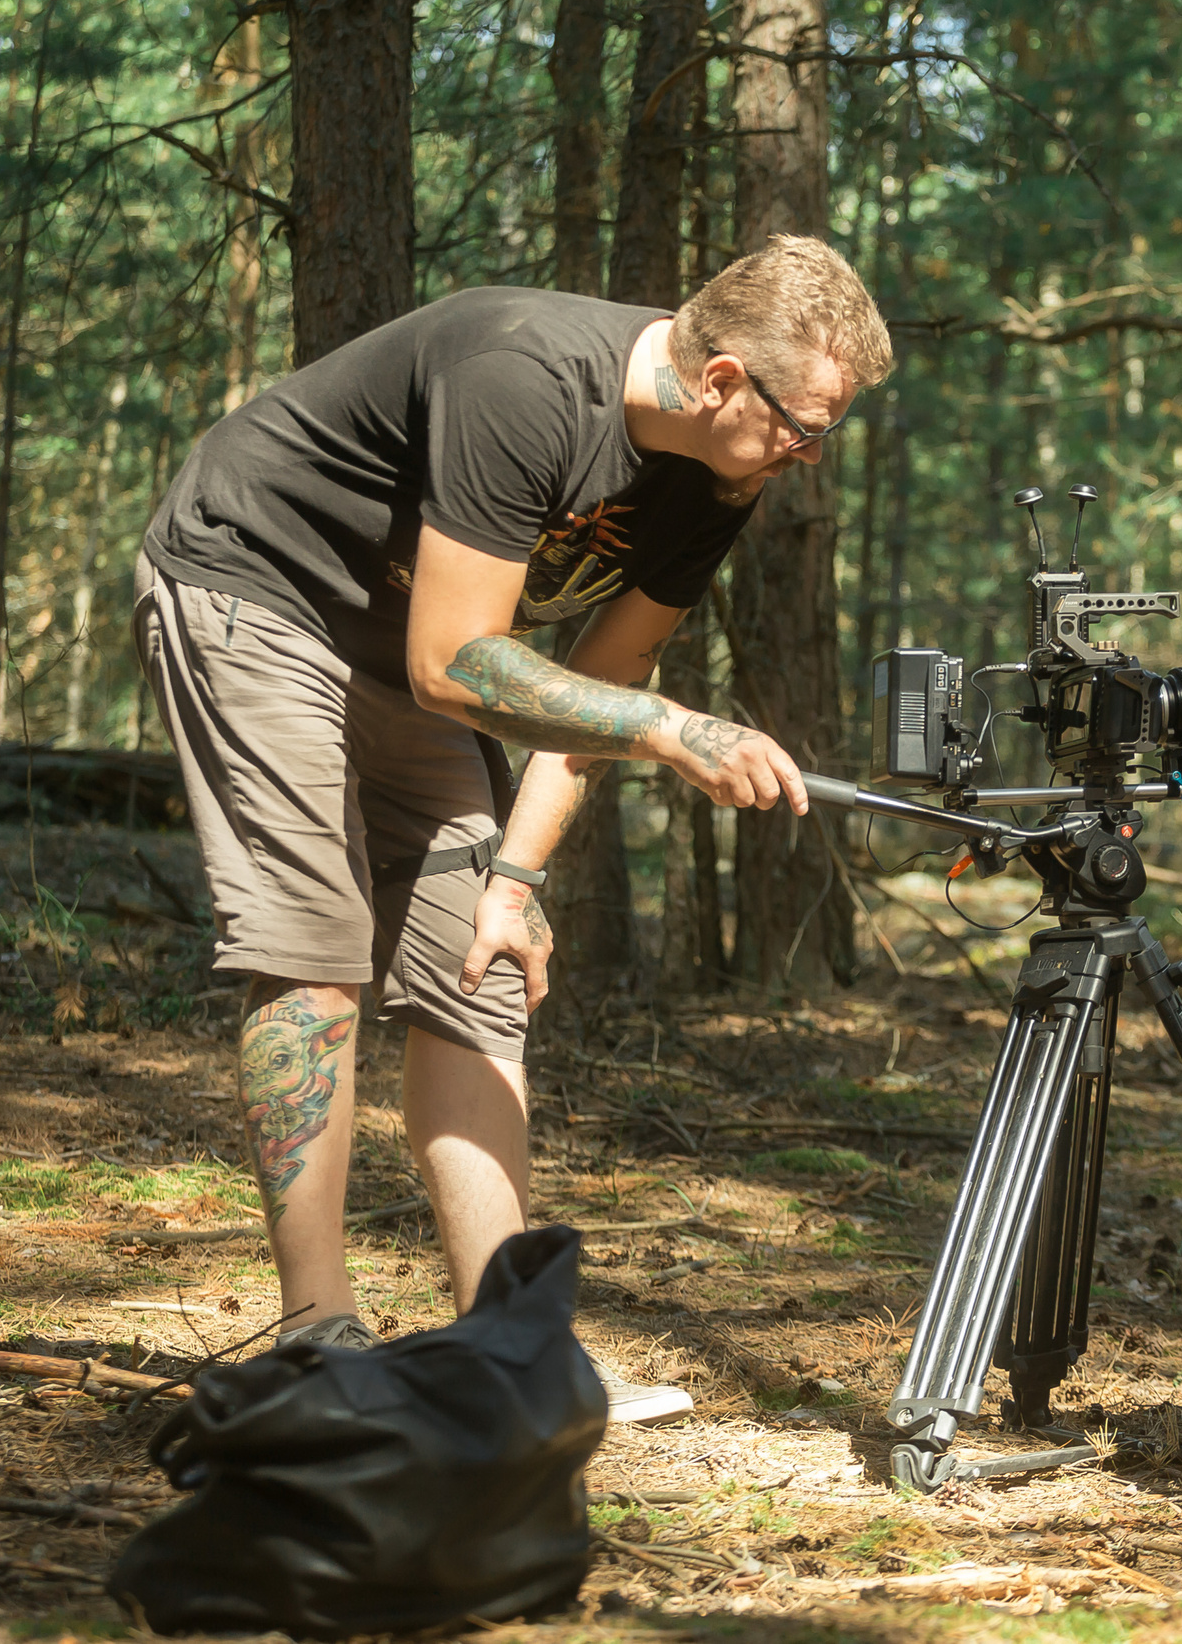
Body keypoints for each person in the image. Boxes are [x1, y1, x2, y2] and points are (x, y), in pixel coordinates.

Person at [131, 236, 892, 1419]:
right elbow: (462, 667)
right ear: (724, 380)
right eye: (807, 424)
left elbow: (603, 679)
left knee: (475, 965)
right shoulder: (524, 375)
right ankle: (316, 1332)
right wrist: (674, 730)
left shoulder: (719, 482)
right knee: (318, 953)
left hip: (424, 657)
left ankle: (509, 1344)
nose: (810, 454)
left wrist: (517, 877)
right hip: (258, 589)